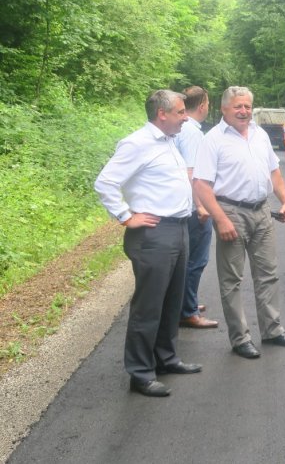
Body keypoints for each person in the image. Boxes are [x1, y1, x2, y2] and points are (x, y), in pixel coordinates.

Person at [94, 89, 202, 397]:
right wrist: (126, 217)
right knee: (149, 305)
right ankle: (140, 373)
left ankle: (165, 359)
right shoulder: (137, 144)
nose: (185, 117)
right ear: (162, 114)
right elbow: (105, 182)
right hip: (154, 234)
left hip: (177, 229)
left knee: (171, 300)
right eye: (181, 112)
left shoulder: (169, 142)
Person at [193, 86, 285, 360]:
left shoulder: (259, 134)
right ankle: (240, 338)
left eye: (247, 106)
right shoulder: (213, 140)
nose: (243, 111)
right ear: (224, 109)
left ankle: (273, 330)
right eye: (237, 107)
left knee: (268, 273)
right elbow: (201, 185)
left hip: (262, 210)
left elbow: (273, 171)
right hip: (230, 211)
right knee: (232, 279)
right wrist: (220, 219)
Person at [174, 86, 219, 329]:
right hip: (195, 208)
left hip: (187, 205)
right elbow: (193, 172)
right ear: (202, 105)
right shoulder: (191, 133)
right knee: (196, 260)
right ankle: (187, 312)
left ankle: (185, 302)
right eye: (208, 103)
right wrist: (201, 206)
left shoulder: (183, 129)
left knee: (189, 259)